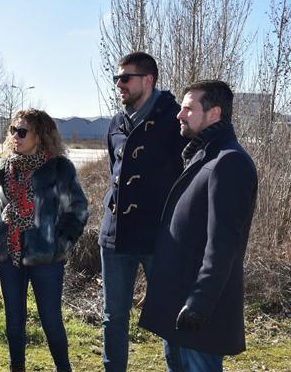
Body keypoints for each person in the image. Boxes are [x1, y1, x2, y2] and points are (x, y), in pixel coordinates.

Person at [139, 80, 258, 372]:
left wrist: (200, 303)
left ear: (214, 113)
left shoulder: (229, 162)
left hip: (198, 313)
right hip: (178, 304)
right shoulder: (203, 155)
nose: (180, 115)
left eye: (188, 109)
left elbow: (223, 245)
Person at [98, 51, 187, 371]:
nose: (118, 85)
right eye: (117, 79)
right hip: (116, 236)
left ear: (147, 80)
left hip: (158, 237)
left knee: (168, 314)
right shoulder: (116, 123)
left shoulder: (175, 119)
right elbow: (115, 174)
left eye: (125, 78)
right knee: (114, 318)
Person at [0, 109, 88, 372]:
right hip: (10, 255)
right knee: (13, 322)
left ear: (40, 136)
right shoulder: (4, 168)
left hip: (46, 259)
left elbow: (78, 209)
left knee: (51, 321)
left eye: (22, 131)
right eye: (12, 131)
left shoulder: (59, 168)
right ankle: (16, 367)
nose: (15, 136)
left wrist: (59, 245)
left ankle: (64, 368)